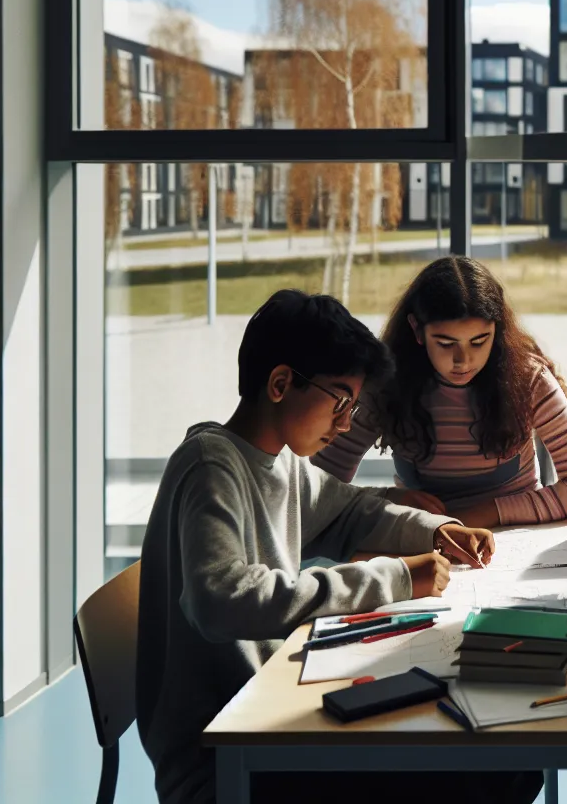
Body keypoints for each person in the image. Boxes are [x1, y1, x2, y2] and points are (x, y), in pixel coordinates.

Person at [137, 289, 535, 804]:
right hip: (226, 756)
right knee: (489, 773)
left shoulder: (279, 461)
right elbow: (223, 599)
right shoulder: (210, 466)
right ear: (282, 383)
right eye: (341, 401)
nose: (347, 423)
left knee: (504, 764)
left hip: (273, 713)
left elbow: (352, 510)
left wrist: (434, 531)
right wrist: (394, 578)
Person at [312, 256, 567, 528]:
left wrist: (474, 516)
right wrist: (389, 500)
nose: (462, 360)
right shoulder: (385, 385)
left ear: (498, 330)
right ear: (416, 330)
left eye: (479, 341)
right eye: (444, 343)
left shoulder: (528, 380)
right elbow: (315, 492)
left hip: (515, 543)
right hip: (423, 543)